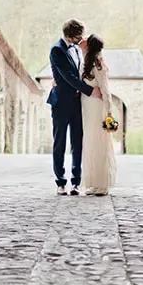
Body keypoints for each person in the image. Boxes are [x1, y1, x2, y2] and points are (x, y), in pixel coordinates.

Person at [47, 19, 102, 195]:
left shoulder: (77, 49)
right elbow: (68, 76)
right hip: (61, 104)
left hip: (78, 104)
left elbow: (79, 72)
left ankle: (76, 182)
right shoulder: (57, 49)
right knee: (60, 143)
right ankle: (61, 182)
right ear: (70, 35)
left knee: (77, 143)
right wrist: (89, 90)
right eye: (78, 35)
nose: (81, 38)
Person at [78, 34, 117, 196]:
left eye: (86, 38)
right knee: (90, 144)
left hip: (98, 108)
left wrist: (108, 111)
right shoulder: (87, 60)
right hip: (88, 108)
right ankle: (93, 183)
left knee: (100, 145)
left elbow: (105, 88)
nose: (83, 39)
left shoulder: (98, 62)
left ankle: (102, 185)